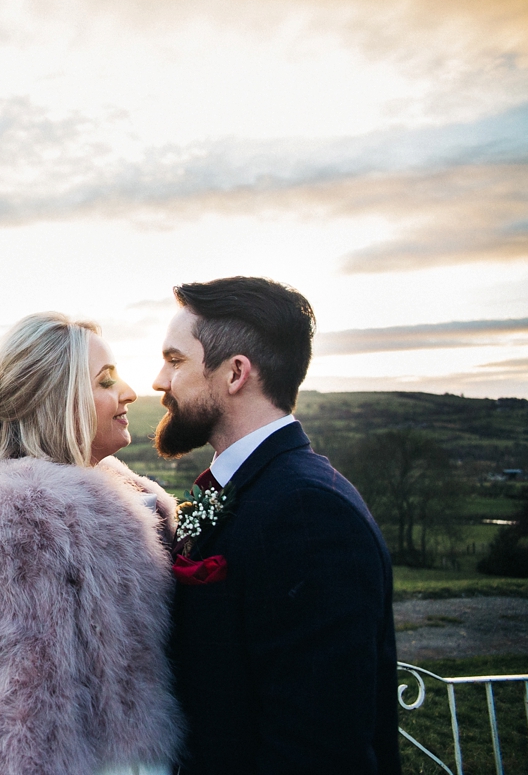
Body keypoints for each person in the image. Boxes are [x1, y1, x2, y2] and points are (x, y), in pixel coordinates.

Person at [0, 312, 183, 775]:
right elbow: (29, 711)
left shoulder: (121, 496)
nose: (129, 392)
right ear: (58, 399)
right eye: (105, 381)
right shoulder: (13, 523)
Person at [154, 276, 399, 774]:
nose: (159, 381)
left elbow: (318, 750)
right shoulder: (251, 491)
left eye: (175, 360)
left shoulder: (308, 513)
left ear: (235, 373)